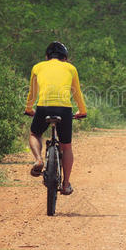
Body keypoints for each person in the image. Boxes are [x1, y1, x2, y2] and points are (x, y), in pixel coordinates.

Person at [24, 41, 87, 195]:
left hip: (43, 107)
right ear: (65, 57)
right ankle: (65, 184)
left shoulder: (38, 67)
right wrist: (82, 111)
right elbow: (76, 92)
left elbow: (32, 92)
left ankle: (39, 159)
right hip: (64, 109)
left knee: (34, 134)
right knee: (66, 146)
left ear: (47, 57)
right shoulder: (71, 68)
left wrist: (28, 108)